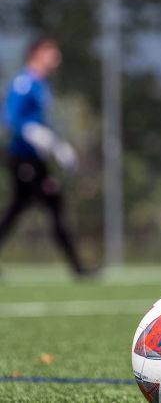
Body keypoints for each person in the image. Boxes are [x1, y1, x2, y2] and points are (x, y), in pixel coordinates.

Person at [0, 36, 95, 278]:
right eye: (51, 52)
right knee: (46, 206)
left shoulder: (42, 85)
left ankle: (77, 267)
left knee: (26, 208)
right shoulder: (25, 82)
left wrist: (56, 145)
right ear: (36, 54)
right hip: (23, 159)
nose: (57, 58)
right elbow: (11, 118)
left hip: (36, 160)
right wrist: (39, 136)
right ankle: (77, 268)